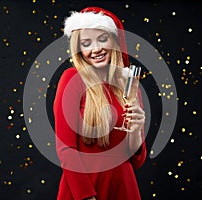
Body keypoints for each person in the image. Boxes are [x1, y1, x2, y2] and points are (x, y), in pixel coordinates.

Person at [53, 6, 147, 200]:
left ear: (115, 41)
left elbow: (135, 161)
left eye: (102, 39)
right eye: (86, 43)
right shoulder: (72, 79)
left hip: (123, 185)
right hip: (83, 189)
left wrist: (136, 129)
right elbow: (65, 149)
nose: (96, 49)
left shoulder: (129, 85)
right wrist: (87, 197)